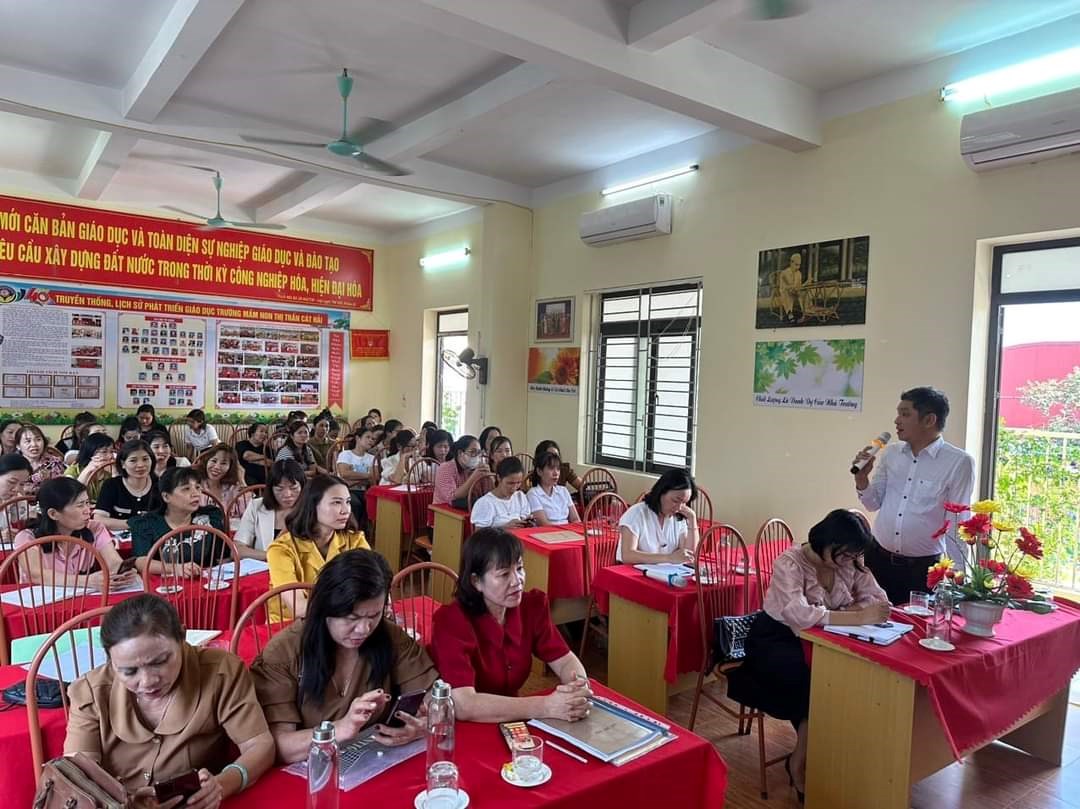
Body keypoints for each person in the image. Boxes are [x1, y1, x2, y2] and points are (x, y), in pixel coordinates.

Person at [727, 510, 890, 799]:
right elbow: (798, 615)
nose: (849, 561)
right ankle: (800, 762)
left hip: (825, 638)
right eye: (844, 554)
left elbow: (878, 600)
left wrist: (848, 613)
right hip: (775, 639)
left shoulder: (850, 562)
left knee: (849, 675)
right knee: (816, 681)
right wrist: (855, 616)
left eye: (854, 555)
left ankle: (824, 755)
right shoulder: (790, 562)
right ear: (827, 541)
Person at [64, 594, 275, 802]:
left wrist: (221, 785)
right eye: (129, 671)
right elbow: (77, 777)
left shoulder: (221, 672)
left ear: (182, 637)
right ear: (111, 661)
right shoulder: (90, 692)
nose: (148, 681)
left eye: (160, 662)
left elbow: (259, 745)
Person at [251, 550, 438, 763]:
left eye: (374, 615)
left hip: (374, 759)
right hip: (312, 769)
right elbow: (280, 746)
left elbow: (435, 700)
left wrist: (423, 724)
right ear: (324, 609)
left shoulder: (390, 637)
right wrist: (341, 728)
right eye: (352, 618)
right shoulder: (283, 653)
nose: (364, 629)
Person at [429, 528, 590, 722]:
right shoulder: (451, 621)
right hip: (464, 724)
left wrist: (578, 688)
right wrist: (546, 706)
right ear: (476, 581)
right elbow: (465, 704)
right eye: (504, 574)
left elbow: (564, 660)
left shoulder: (532, 607)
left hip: (514, 717)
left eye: (519, 568)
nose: (517, 581)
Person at [854, 386, 976, 605]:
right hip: (878, 559)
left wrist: (958, 577)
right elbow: (872, 503)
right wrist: (861, 479)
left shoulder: (959, 463)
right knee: (870, 622)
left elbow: (957, 522)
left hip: (922, 570)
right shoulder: (891, 453)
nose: (896, 420)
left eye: (905, 414)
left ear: (929, 420)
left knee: (914, 625)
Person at [266, 475, 370, 619]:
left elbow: (373, 584)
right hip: (292, 626)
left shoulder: (355, 540)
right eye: (336, 503)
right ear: (312, 505)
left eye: (348, 502)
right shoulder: (281, 549)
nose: (345, 510)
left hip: (343, 620)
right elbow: (299, 608)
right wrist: (356, 606)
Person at [12, 477, 135, 589]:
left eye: (87, 503)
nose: (88, 511)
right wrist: (87, 581)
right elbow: (36, 574)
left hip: (79, 599)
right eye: (80, 506)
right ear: (53, 514)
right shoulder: (27, 537)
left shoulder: (95, 528)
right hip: (39, 602)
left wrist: (121, 572)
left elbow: (113, 561)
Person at [130, 467, 227, 576]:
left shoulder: (210, 516)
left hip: (205, 581)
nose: (196, 494)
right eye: (186, 489)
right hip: (165, 583)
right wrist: (175, 568)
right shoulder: (146, 523)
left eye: (197, 487)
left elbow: (223, 556)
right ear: (166, 496)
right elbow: (141, 562)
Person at [617, 468, 700, 564]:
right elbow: (628, 556)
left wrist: (692, 519)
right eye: (675, 501)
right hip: (631, 570)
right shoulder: (636, 513)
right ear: (661, 492)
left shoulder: (678, 517)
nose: (679, 507)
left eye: (684, 502)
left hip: (664, 570)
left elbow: (689, 556)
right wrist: (669, 558)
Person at [233, 460, 305, 561]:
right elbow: (237, 549)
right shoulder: (257, 506)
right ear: (271, 489)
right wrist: (270, 556)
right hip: (263, 567)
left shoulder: (312, 509)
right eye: (279, 489)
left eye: (293, 488)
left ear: (303, 487)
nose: (287, 494)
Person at [94, 440, 161, 532]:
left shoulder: (159, 484)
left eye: (145, 459)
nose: (140, 465)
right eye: (133, 460)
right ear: (123, 464)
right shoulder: (111, 485)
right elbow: (99, 519)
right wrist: (134, 524)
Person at [470, 457, 532, 529]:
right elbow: (479, 533)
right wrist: (504, 528)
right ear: (499, 478)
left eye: (518, 482)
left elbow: (524, 520)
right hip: (498, 536)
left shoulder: (520, 497)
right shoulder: (485, 503)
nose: (514, 487)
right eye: (510, 483)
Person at [433, 435, 491, 510]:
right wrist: (473, 477)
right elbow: (452, 497)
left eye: (479, 452)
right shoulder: (445, 468)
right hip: (443, 512)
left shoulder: (474, 468)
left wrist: (489, 477)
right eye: (472, 452)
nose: (476, 456)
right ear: (460, 453)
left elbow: (488, 494)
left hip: (467, 509)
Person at [526, 451, 580, 525]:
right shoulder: (533, 494)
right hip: (549, 531)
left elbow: (575, 519)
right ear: (539, 471)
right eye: (551, 469)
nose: (556, 473)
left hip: (567, 529)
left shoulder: (563, 490)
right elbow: (543, 523)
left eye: (558, 469)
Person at [64, 432, 116, 501]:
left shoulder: (113, 468)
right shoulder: (74, 470)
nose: (110, 456)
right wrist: (88, 470)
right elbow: (71, 497)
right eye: (104, 452)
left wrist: (115, 473)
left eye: (112, 451)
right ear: (90, 452)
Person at [16, 423, 65, 495]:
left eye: (38, 440)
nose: (34, 444)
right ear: (18, 446)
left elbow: (60, 488)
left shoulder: (54, 463)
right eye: (28, 441)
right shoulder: (13, 465)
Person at [193, 445, 244, 509]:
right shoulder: (195, 485)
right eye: (214, 461)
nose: (217, 467)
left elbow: (248, 509)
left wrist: (242, 481)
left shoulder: (233, 488)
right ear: (206, 461)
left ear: (230, 467)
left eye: (223, 463)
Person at [0, 453, 34, 541]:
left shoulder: (17, 498)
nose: (17, 489)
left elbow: (31, 520)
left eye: (22, 484)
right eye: (11, 482)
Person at [776, 251, 805, 323]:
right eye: (796, 265)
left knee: (804, 293)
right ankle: (789, 313)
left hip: (795, 290)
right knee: (788, 294)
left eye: (799, 265)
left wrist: (799, 288)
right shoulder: (784, 273)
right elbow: (785, 285)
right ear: (791, 263)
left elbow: (799, 284)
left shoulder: (799, 273)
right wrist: (793, 288)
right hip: (785, 290)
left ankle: (806, 311)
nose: (798, 267)